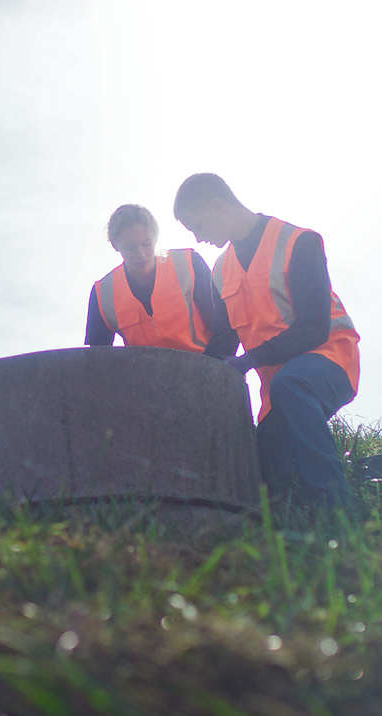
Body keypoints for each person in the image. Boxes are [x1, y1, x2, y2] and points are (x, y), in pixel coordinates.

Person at [173, 173, 359, 510]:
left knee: (292, 385)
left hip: (331, 361)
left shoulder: (299, 242)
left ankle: (336, 512)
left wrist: (247, 362)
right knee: (274, 479)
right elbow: (223, 343)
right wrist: (187, 376)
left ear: (218, 207)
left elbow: (315, 328)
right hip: (279, 389)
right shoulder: (220, 271)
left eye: (197, 226)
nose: (198, 239)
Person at [85, 204, 231, 355]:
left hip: (203, 368)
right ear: (115, 246)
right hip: (144, 376)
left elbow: (222, 324)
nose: (140, 254)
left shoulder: (188, 263)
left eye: (146, 244)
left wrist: (215, 369)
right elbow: (97, 358)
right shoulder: (103, 293)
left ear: (155, 238)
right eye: (130, 248)